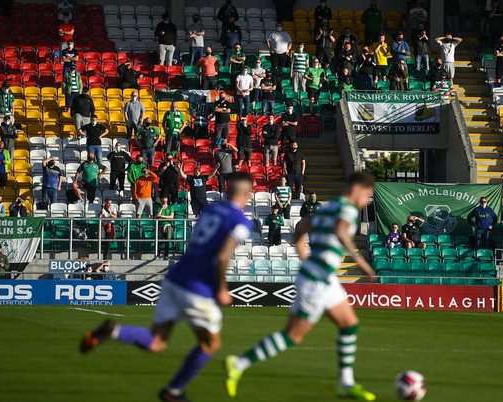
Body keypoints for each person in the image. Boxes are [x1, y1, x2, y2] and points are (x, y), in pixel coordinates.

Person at [82, 173, 254, 402]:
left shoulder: (211, 210)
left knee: (156, 342)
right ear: (246, 194)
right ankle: (173, 391)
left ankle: (113, 331)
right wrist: (222, 288)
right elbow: (224, 254)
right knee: (211, 343)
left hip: (175, 279)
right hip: (197, 287)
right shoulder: (240, 221)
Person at [225, 172, 377, 401]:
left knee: (349, 325)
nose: (367, 201)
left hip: (324, 278)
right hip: (317, 281)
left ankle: (346, 382)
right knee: (292, 336)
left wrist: (303, 256)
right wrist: (363, 264)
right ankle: (239, 363)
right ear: (357, 189)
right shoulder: (347, 210)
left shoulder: (327, 207)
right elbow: (340, 230)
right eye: (368, 195)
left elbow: (301, 227)